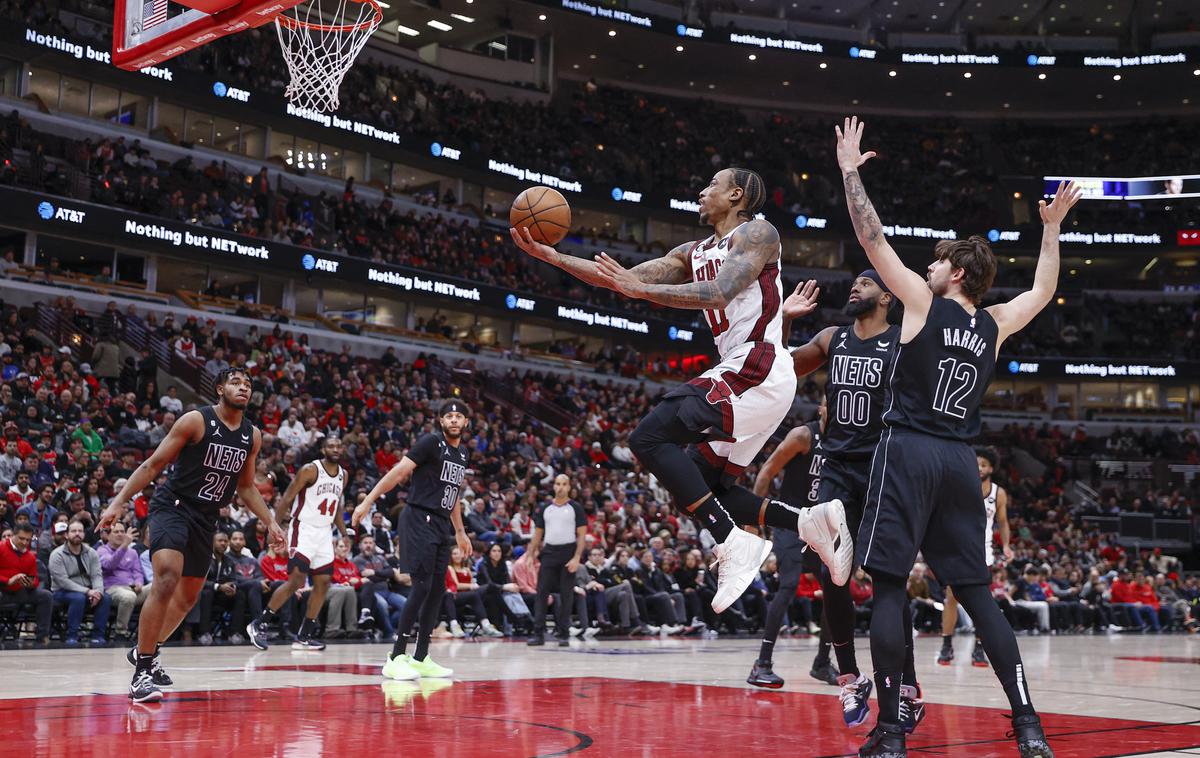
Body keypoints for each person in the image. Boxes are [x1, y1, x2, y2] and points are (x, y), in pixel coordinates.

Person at [834, 115, 1078, 757]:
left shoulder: (920, 301)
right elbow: (1045, 290)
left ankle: (890, 733)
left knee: (886, 586)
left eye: (938, 261)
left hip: (909, 447)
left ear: (956, 274)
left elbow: (870, 235)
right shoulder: (995, 324)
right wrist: (1050, 230)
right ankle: (1029, 726)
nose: (929, 266)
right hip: (960, 463)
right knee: (977, 595)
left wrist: (851, 172)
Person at [511, 168, 844, 614]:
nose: (701, 191)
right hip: (751, 376)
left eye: (710, 185)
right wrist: (553, 258)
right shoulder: (694, 250)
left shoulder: (758, 233)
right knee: (707, 486)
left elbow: (720, 291)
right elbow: (620, 276)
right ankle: (808, 521)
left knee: (647, 438)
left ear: (735, 194)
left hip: (758, 364)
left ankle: (733, 542)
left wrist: (642, 289)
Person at [786, 270, 926, 728]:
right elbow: (779, 368)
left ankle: (906, 685)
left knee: (889, 578)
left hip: (882, 468)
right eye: (854, 284)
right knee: (832, 574)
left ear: (887, 297)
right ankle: (849, 678)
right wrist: (784, 321)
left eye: (865, 285)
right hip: (837, 468)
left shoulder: (903, 342)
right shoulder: (832, 338)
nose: (854, 288)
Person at [99, 367, 285, 703]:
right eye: (236, 382)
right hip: (173, 505)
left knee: (186, 599)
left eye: (248, 384)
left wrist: (270, 521)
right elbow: (152, 465)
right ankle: (142, 670)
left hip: (206, 517)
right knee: (167, 578)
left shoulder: (251, 435)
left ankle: (146, 649)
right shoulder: (196, 421)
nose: (243, 388)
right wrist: (118, 502)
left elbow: (245, 487)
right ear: (219, 389)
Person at [351, 400, 472, 682]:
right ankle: (395, 657)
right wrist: (368, 502)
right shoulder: (430, 442)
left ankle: (421, 657)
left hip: (442, 523)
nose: (454, 420)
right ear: (441, 420)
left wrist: (460, 531)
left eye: (459, 416)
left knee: (437, 589)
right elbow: (399, 472)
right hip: (418, 518)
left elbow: (452, 493)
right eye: (449, 416)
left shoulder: (463, 453)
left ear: (466, 422)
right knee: (422, 585)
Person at [746, 415, 839, 691]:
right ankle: (762, 664)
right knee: (788, 585)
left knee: (836, 591)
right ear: (822, 407)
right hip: (789, 520)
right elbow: (767, 472)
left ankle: (822, 663)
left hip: (820, 524)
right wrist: (752, 520)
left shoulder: (844, 440)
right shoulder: (803, 436)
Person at [247, 436, 346, 651]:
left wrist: (345, 533)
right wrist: (274, 527)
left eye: (339, 446)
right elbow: (287, 498)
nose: (335, 449)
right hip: (304, 528)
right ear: (323, 449)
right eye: (331, 445)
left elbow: (336, 507)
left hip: (324, 533)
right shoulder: (310, 470)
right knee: (296, 580)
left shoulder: (343, 476)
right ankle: (259, 623)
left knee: (323, 583)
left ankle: (304, 635)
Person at [940, 448, 1012, 668]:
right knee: (951, 598)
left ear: (991, 468)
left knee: (982, 603)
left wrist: (1007, 545)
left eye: (984, 465)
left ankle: (980, 649)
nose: (979, 468)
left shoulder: (998, 493)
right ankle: (946, 645)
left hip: (983, 553)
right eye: (977, 464)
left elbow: (1003, 522)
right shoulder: (961, 485)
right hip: (958, 549)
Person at [527, 474, 587, 647]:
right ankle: (538, 633)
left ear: (569, 487)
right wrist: (530, 555)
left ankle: (564, 633)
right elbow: (537, 534)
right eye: (558, 484)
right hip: (549, 552)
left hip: (568, 552)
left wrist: (577, 557)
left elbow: (582, 535)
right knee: (541, 593)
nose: (560, 487)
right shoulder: (545, 507)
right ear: (554, 486)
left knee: (566, 594)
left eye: (564, 484)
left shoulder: (576, 508)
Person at [48, 520, 110, 646]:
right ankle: (72, 636)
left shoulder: (91, 552)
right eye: (74, 531)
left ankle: (98, 636)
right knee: (78, 598)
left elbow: (97, 575)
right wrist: (87, 591)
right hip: (61, 591)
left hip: (88, 590)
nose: (77, 534)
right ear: (67, 535)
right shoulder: (57, 554)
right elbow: (63, 581)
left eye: (80, 531)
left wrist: (97, 591)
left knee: (106, 598)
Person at [0, 522, 51, 645]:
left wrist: (31, 583)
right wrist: (8, 580)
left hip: (19, 591)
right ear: (13, 535)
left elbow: (35, 579)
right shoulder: (1, 548)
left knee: (46, 596)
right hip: (2, 589)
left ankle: (42, 637)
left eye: (28, 540)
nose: (24, 543)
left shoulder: (30, 557)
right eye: (21, 538)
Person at [98, 520, 149, 641]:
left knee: (157, 588)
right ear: (108, 535)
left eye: (122, 531)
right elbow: (110, 565)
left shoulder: (132, 552)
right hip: (113, 589)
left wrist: (139, 583)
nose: (120, 534)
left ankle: (151, 630)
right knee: (128, 596)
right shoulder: (102, 550)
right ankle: (120, 633)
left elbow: (138, 572)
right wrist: (123, 546)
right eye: (116, 532)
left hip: (133, 589)